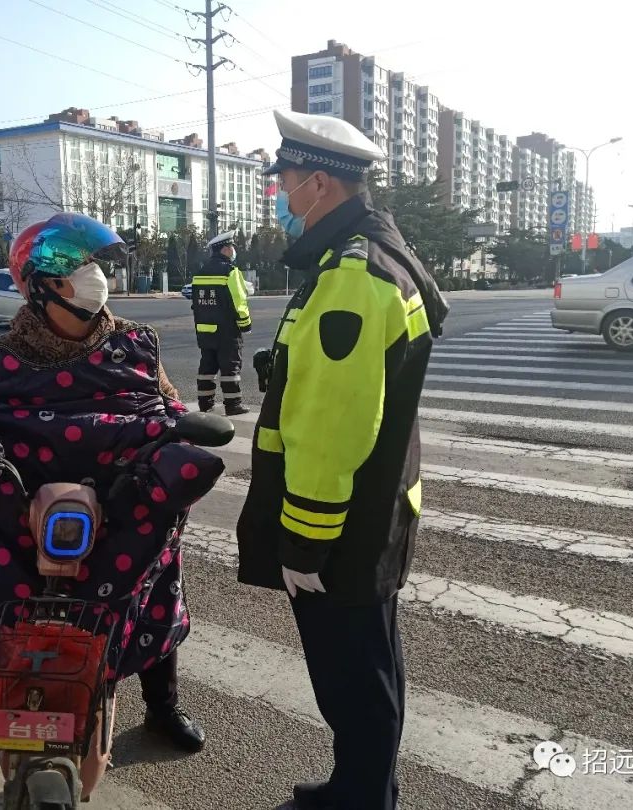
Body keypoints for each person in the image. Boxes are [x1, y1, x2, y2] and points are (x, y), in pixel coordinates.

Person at [0, 214, 209, 810]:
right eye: (76, 271)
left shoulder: (136, 345)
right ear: (41, 287)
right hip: (18, 520)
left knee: (150, 592)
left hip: (117, 513)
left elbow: (168, 409)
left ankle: (162, 707)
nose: (94, 279)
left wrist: (175, 442)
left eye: (93, 267)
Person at [236, 110, 448, 810]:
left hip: (341, 524)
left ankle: (361, 798)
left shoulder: (352, 274)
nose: (282, 193)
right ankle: (362, 786)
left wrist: (304, 542)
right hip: (374, 504)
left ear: (320, 183)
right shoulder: (370, 256)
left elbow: (331, 430)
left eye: (287, 180)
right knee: (371, 669)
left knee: (351, 676)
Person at [191, 230, 252, 416]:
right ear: (225, 249)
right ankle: (233, 405)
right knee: (230, 367)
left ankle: (205, 404)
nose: (233, 250)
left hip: (204, 329)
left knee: (207, 367)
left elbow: (196, 303)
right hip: (227, 330)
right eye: (231, 247)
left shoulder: (199, 273)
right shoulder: (230, 272)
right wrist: (245, 324)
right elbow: (239, 301)